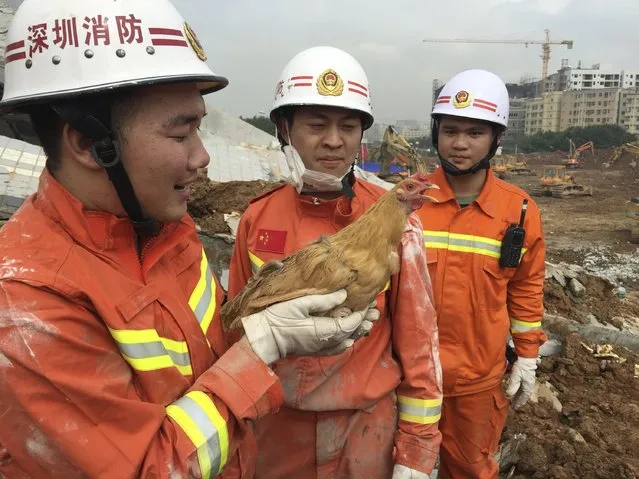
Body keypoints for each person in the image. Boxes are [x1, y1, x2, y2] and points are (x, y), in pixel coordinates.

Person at [0, 2, 378, 478]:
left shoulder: (164, 229)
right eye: (181, 133)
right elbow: (152, 468)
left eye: (200, 127)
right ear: (87, 143)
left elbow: (205, 355)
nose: (203, 157)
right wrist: (261, 347)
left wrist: (268, 327)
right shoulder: (28, 304)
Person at [227, 46, 443, 479]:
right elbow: (231, 333)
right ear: (285, 129)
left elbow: (420, 346)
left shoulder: (397, 221)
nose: (333, 140)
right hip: (275, 429)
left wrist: (416, 453)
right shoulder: (257, 218)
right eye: (316, 124)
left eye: (348, 126)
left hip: (363, 431)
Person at [416, 69, 547, 478]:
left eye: (475, 133)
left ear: (495, 139)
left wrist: (527, 355)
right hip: (409, 378)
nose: (459, 144)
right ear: (436, 132)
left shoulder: (519, 211)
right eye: (450, 130)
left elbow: (526, 289)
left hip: (477, 383)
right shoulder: (409, 202)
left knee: (470, 470)